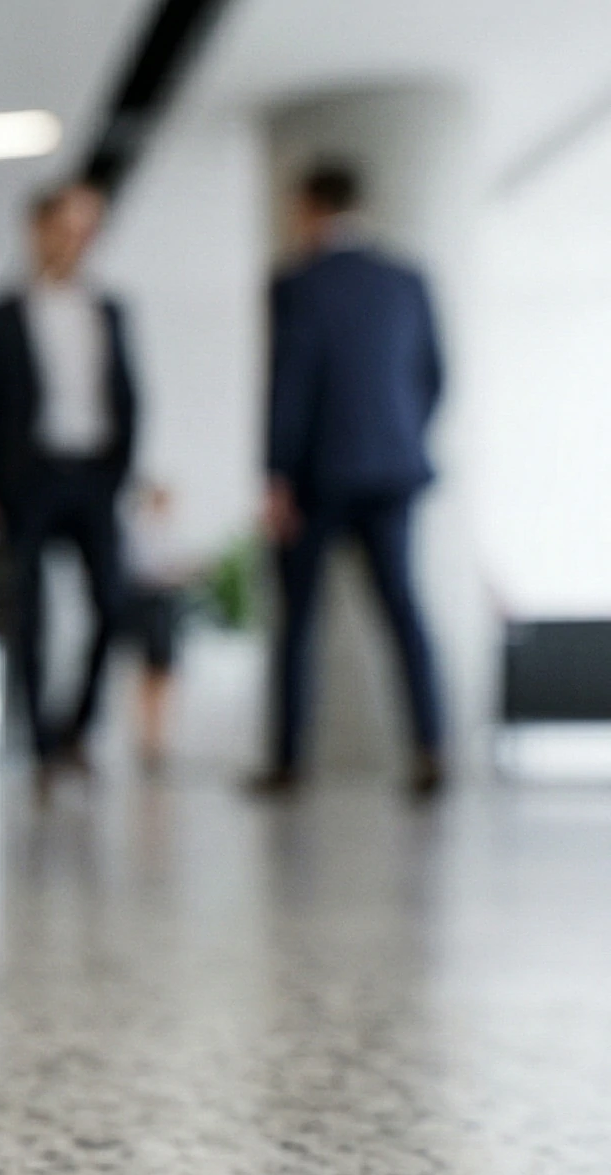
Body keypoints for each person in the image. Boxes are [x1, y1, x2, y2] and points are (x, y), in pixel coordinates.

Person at [250, 160, 447, 797]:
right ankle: (430, 749)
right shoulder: (406, 280)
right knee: (403, 612)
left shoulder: (298, 283)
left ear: (309, 207)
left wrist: (277, 474)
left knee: (299, 621)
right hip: (393, 470)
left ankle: (289, 763)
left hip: (318, 476)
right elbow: (435, 376)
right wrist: (400, 438)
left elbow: (290, 384)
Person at [0, 181, 139, 778]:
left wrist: (121, 472)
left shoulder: (109, 310)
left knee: (113, 604)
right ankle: (36, 740)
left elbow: (129, 396)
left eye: (89, 228)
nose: (79, 240)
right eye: (69, 225)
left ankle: (75, 728)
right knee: (27, 611)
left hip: (94, 474)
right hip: (26, 476)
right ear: (38, 230)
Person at [122, 482, 191, 770]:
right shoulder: (142, 533)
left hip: (167, 606)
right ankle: (147, 740)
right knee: (150, 675)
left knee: (164, 676)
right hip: (151, 607)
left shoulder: (168, 532)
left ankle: (159, 739)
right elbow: (145, 571)